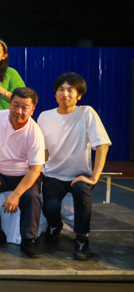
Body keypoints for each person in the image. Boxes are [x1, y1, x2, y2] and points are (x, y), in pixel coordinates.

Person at [39, 72, 111, 260]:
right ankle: (55, 225)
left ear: (79, 95)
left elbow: (102, 145)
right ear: (55, 94)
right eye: (61, 89)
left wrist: (94, 177)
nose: (65, 94)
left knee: (82, 193)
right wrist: (40, 170)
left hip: (79, 175)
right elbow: (43, 149)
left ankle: (81, 239)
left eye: (70, 90)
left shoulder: (87, 113)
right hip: (53, 174)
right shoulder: (45, 117)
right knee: (50, 207)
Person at [0, 87, 45, 258]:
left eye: (24, 107)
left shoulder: (35, 132)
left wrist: (16, 194)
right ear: (10, 103)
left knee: (31, 196)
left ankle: (29, 240)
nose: (18, 111)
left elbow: (36, 169)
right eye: (15, 105)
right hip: (0, 171)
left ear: (32, 109)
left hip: (25, 174)